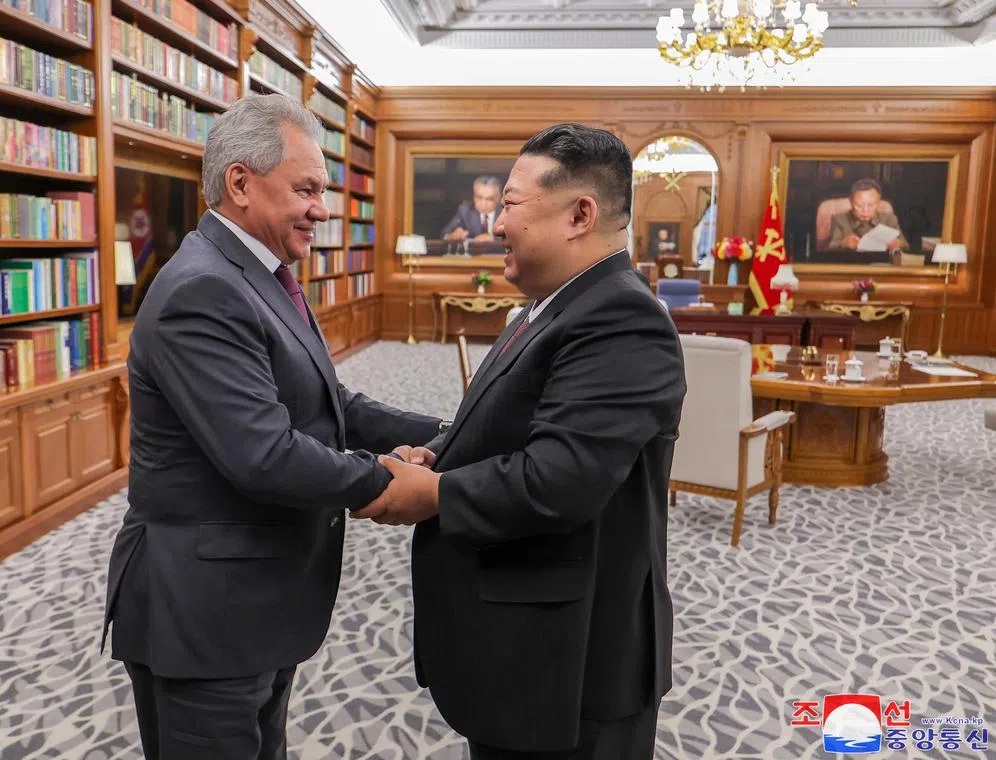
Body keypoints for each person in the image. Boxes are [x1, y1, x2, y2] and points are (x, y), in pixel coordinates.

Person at [101, 93, 442, 760]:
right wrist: (384, 481)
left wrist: (452, 430)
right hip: (206, 611)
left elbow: (331, 404)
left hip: (255, 599)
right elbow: (264, 453)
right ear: (241, 184)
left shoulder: (265, 274)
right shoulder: (204, 290)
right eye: (307, 188)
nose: (324, 208)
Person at [354, 123, 687, 759]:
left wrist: (437, 493)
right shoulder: (554, 304)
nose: (496, 225)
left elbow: (559, 477)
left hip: (573, 663)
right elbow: (504, 428)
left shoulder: (621, 318)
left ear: (579, 214)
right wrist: (439, 455)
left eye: (510, 204)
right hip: (530, 651)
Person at [827, 177, 908, 251]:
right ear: (851, 202)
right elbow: (831, 246)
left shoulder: (890, 219)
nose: (865, 210)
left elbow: (906, 247)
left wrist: (899, 245)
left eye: (871, 205)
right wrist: (843, 244)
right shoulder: (839, 219)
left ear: (878, 203)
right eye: (859, 205)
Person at [441, 175, 503, 241]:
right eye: (479, 197)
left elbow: (513, 236)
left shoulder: (507, 212)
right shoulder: (465, 211)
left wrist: (493, 238)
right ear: (474, 196)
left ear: (499, 198)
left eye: (489, 199)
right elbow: (445, 234)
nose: (483, 203)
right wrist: (452, 236)